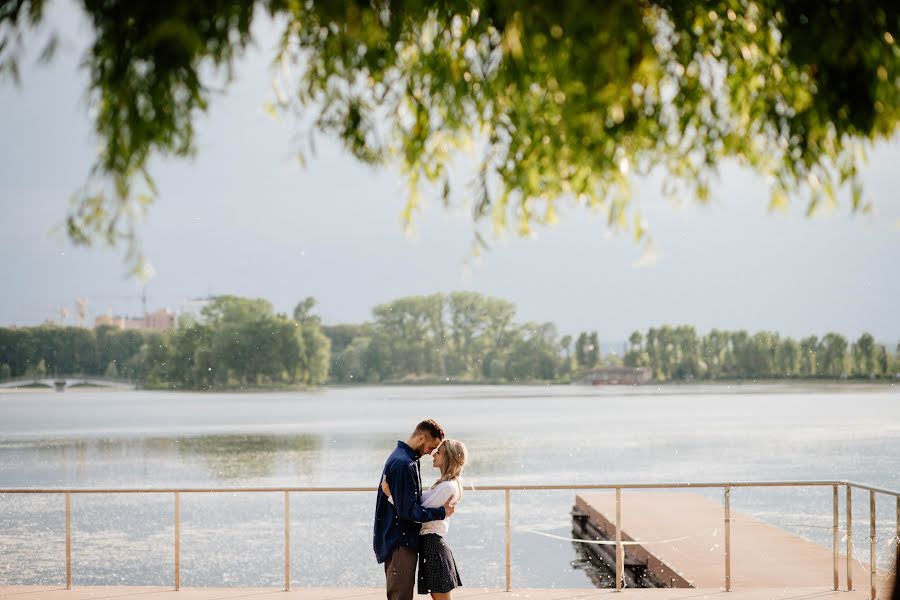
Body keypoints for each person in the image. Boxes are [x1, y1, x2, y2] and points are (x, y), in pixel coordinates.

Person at [375, 420, 455, 600]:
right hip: (399, 540)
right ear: (421, 438)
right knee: (401, 596)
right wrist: (441, 512)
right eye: (431, 447)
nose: (430, 452)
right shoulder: (404, 463)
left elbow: (408, 504)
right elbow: (408, 511)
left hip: (400, 537)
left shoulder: (406, 459)